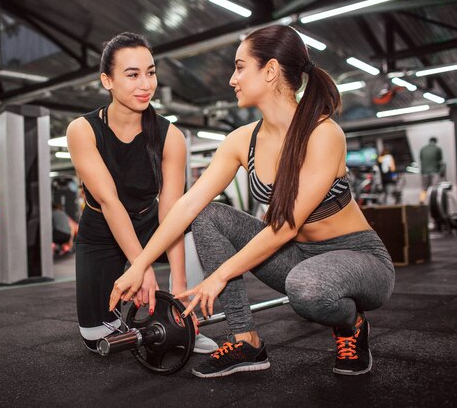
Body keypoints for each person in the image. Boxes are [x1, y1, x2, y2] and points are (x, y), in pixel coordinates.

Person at [109, 25, 395, 378]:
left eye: (240, 67)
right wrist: (140, 264)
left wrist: (220, 276)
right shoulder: (241, 140)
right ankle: (245, 339)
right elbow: (186, 206)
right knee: (206, 215)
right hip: (296, 257)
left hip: (360, 259)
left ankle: (351, 324)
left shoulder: (324, 134)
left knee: (306, 286)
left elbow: (285, 225)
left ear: (271, 71)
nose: (232, 79)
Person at [66, 32, 218, 354]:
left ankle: (183, 320)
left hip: (152, 224)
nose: (145, 84)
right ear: (107, 80)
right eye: (132, 75)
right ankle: (124, 322)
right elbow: (109, 202)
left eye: (150, 72)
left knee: (197, 228)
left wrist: (179, 292)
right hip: (101, 229)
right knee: (96, 339)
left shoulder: (171, 136)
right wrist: (142, 267)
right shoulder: (82, 130)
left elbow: (172, 211)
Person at [419, 137, 443, 203]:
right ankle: (433, 202)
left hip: (424, 172)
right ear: (435, 142)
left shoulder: (423, 149)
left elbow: (421, 159)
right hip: (434, 171)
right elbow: (440, 161)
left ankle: (422, 201)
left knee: (424, 188)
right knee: (434, 188)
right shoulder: (437, 149)